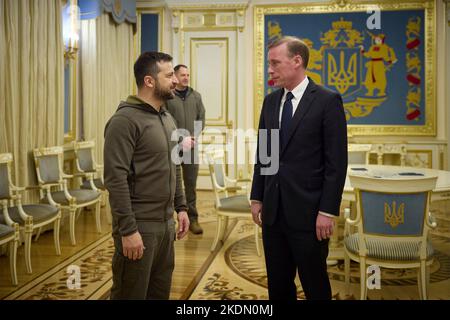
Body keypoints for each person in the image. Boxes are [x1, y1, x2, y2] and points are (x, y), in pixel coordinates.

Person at [250, 36, 348, 300]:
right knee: (279, 286)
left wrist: (327, 211)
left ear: (297, 61)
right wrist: (257, 196)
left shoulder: (328, 101)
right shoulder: (270, 102)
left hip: (310, 215)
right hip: (273, 212)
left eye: (274, 63)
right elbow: (265, 154)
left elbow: (336, 164)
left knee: (315, 285)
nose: (269, 70)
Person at [104, 51, 191, 300]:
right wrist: (128, 230)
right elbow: (115, 179)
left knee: (158, 294)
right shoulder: (124, 121)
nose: (175, 80)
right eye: (169, 75)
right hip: (139, 226)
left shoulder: (167, 118)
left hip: (166, 225)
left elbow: (174, 165)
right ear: (149, 81)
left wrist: (181, 207)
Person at [165, 64, 206, 235]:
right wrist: (181, 139)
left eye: (188, 74)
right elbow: (164, 119)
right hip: (172, 147)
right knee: (171, 183)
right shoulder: (168, 96)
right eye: (182, 75)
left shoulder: (196, 96)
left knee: (190, 185)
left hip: (191, 148)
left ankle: (193, 219)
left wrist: (193, 137)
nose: (186, 77)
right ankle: (170, 219)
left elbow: (201, 118)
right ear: (174, 75)